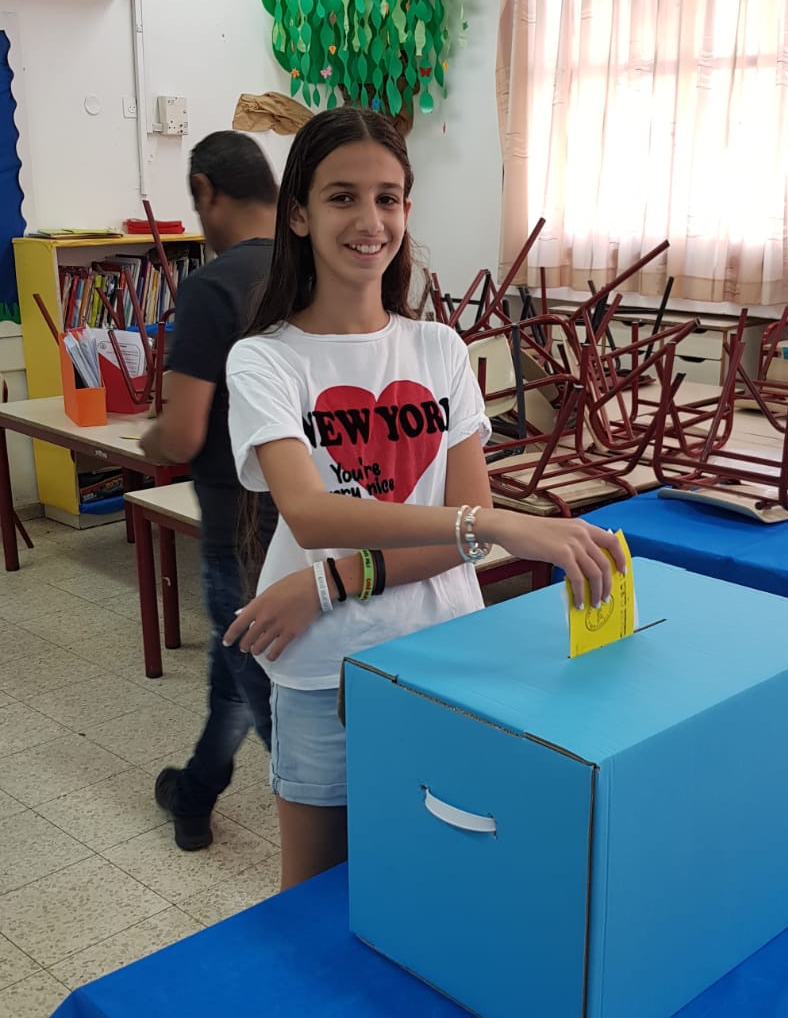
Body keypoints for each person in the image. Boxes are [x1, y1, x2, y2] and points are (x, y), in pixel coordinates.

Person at [224, 107, 625, 891]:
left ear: (407, 209)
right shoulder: (265, 360)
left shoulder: (438, 348)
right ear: (299, 214)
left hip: (446, 651)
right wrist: (500, 523)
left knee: (444, 876)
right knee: (317, 890)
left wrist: (330, 580)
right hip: (326, 666)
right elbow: (310, 511)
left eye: (388, 198)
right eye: (342, 197)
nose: (369, 221)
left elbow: (459, 538)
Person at [140, 130, 278, 851]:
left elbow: (184, 433)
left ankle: (351, 860)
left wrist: (149, 439)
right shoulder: (320, 266)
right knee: (238, 673)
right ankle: (195, 796)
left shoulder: (212, 286)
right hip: (328, 519)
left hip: (241, 529)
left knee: (277, 714)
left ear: (205, 191)